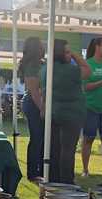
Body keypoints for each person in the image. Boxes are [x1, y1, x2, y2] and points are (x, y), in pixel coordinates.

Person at [40, 39, 90, 184]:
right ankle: (67, 180)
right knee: (68, 149)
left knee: (54, 147)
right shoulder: (71, 70)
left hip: (53, 111)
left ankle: (53, 177)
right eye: (67, 52)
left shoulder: (45, 69)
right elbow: (87, 70)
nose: (69, 55)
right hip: (72, 113)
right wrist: (75, 55)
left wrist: (43, 108)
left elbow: (43, 90)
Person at [80, 38, 102, 177]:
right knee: (88, 138)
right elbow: (84, 87)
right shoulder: (88, 64)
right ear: (97, 47)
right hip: (90, 107)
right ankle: (85, 169)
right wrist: (101, 82)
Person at [19, 37, 46, 182]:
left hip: (39, 102)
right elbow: (34, 91)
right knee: (36, 138)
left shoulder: (41, 64)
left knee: (42, 138)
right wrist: (42, 108)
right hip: (34, 103)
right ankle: (32, 173)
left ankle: (41, 170)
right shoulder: (32, 66)